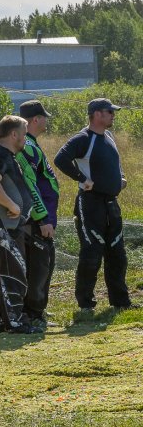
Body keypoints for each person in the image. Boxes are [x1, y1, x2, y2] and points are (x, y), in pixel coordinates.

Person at [54, 98, 137, 312]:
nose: (113, 115)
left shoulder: (108, 136)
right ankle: (85, 306)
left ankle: (120, 302)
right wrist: (82, 178)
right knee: (91, 253)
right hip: (90, 204)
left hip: (111, 204)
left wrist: (121, 178)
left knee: (117, 254)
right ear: (97, 114)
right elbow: (60, 159)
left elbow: (115, 164)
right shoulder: (83, 138)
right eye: (110, 111)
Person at [0, 115, 42, 334]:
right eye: (24, 134)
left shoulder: (6, 155)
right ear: (14, 134)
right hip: (2, 225)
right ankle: (16, 322)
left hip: (4, 225)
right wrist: (12, 206)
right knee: (13, 272)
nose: (26, 138)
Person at [16, 100, 59, 329]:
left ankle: (37, 310)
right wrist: (43, 219)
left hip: (42, 219)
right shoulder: (28, 148)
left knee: (45, 264)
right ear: (35, 120)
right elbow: (30, 187)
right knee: (39, 267)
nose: (46, 121)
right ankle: (33, 314)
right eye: (44, 117)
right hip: (37, 221)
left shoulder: (32, 144)